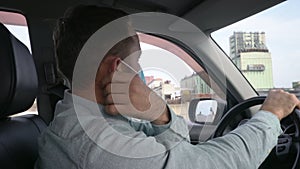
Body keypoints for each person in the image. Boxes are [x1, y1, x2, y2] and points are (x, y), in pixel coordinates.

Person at [35, 5, 300, 169]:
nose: (139, 70)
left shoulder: (87, 119)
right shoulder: (99, 144)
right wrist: (271, 114)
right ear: (116, 67)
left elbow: (177, 151)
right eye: (136, 61)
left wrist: (160, 113)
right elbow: (217, 165)